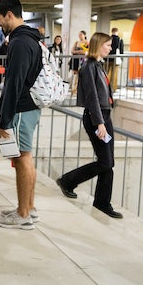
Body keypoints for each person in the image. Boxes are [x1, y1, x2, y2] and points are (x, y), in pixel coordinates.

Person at [56, 33, 123, 219]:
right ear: (99, 45)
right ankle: (68, 181)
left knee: (109, 162)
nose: (110, 48)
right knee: (105, 162)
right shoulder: (89, 66)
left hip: (104, 116)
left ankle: (102, 202)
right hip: (97, 117)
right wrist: (100, 123)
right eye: (108, 45)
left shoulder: (98, 65)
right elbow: (92, 98)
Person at [0, 0, 43, 230]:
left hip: (21, 108)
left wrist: (4, 119)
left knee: (22, 160)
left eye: (0, 20)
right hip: (29, 107)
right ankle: (28, 208)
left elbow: (14, 82)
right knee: (27, 158)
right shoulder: (31, 39)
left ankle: (22, 214)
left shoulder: (20, 43)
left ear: (10, 15)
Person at [106, 28, 124, 92]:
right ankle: (112, 89)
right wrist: (122, 59)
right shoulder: (120, 40)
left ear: (112, 31)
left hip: (107, 59)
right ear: (117, 32)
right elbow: (121, 50)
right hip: (115, 59)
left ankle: (105, 87)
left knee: (106, 73)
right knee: (114, 75)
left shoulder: (108, 39)